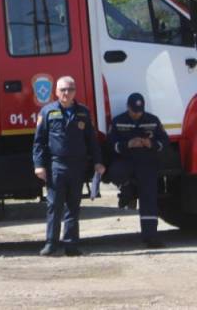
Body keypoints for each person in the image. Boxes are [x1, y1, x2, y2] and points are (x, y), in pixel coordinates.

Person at [33, 76, 105, 257]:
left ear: (75, 91)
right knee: (54, 205)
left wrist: (98, 162)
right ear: (56, 92)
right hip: (56, 165)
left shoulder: (83, 112)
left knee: (73, 206)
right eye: (63, 90)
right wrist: (39, 165)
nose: (66, 93)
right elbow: (39, 142)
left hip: (77, 166)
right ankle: (51, 244)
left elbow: (92, 140)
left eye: (70, 89)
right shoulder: (47, 112)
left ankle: (71, 245)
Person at [107, 93, 170, 248]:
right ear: (128, 107)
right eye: (134, 111)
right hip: (126, 160)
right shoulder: (118, 121)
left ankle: (151, 237)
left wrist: (151, 144)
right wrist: (127, 144)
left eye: (139, 111)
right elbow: (110, 145)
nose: (137, 114)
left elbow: (164, 141)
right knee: (113, 172)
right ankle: (127, 188)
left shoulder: (152, 120)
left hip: (147, 163)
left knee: (149, 198)